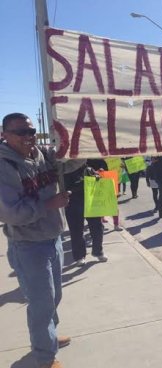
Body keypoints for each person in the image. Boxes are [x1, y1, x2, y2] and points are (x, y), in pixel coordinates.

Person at [0, 113, 72, 368]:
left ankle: (48, 336)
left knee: (54, 297)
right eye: (20, 132)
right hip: (28, 245)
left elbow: (70, 162)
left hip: (53, 238)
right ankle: (44, 356)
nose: (28, 136)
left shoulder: (42, 155)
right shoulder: (5, 165)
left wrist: (82, 146)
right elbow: (10, 213)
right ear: (4, 135)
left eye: (31, 131)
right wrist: (50, 204)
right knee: (41, 302)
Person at [64, 159, 109, 266]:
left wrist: (98, 177)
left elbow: (99, 180)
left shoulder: (89, 170)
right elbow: (64, 188)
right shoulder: (65, 171)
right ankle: (79, 256)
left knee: (97, 227)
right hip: (73, 204)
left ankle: (98, 251)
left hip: (91, 203)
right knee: (76, 231)